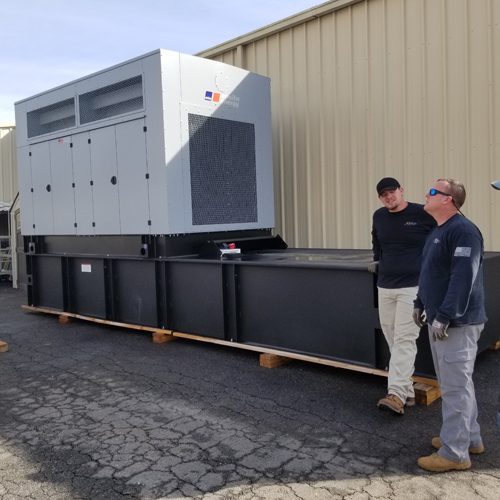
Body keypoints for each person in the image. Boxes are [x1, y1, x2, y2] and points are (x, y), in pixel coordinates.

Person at [413, 178, 486, 472]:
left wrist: (445, 315)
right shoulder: (438, 231)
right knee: (457, 384)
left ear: (448, 199)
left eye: (433, 191)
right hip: (441, 319)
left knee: (455, 388)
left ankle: (455, 453)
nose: (426, 194)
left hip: (456, 323)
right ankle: (470, 439)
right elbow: (429, 272)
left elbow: (463, 277)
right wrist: (420, 302)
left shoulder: (463, 231)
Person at [371, 177, 435, 414]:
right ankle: (407, 391)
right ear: (380, 198)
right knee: (392, 336)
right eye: (384, 194)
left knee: (404, 339)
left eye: (392, 192)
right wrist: (379, 265)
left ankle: (396, 394)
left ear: (401, 191)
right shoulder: (379, 216)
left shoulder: (423, 213)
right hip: (385, 286)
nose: (389, 197)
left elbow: (440, 241)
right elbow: (377, 245)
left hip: (413, 287)